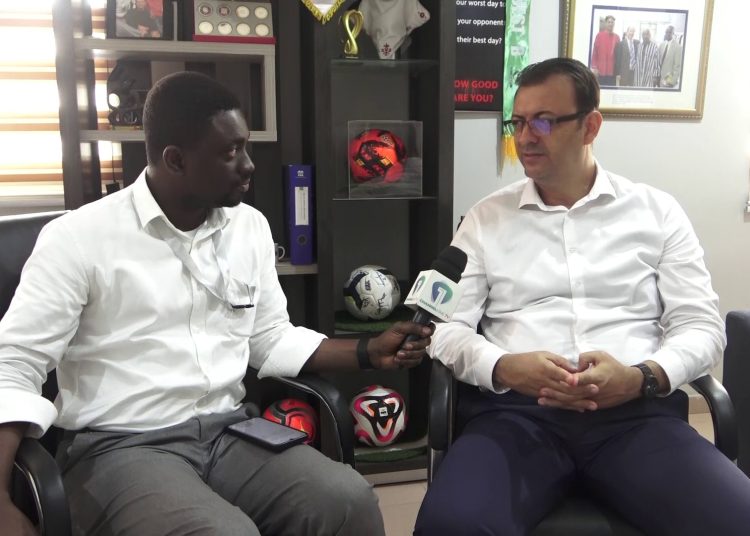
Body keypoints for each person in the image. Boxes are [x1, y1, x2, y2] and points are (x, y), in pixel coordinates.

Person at [0, 71, 434, 536]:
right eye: (231, 152)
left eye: (245, 148)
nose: (249, 166)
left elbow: (269, 337)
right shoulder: (78, 238)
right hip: (120, 446)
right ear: (175, 160)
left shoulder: (249, 228)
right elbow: (15, 364)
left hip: (230, 432)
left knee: (348, 501)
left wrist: (368, 351)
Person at [414, 57, 750, 535]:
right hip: (517, 418)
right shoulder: (486, 218)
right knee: (451, 525)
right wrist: (504, 367)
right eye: (518, 122)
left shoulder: (656, 213)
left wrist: (642, 377)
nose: (525, 137)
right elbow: (445, 330)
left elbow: (702, 328)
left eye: (543, 121)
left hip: (637, 418)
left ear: (591, 125)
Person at [590, 15, 619, 86]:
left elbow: (618, 56)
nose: (610, 24)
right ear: (606, 23)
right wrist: (594, 67)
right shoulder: (599, 36)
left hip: (612, 71)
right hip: (600, 71)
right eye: (609, 22)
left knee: (611, 91)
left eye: (612, 22)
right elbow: (595, 52)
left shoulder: (617, 37)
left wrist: (618, 71)